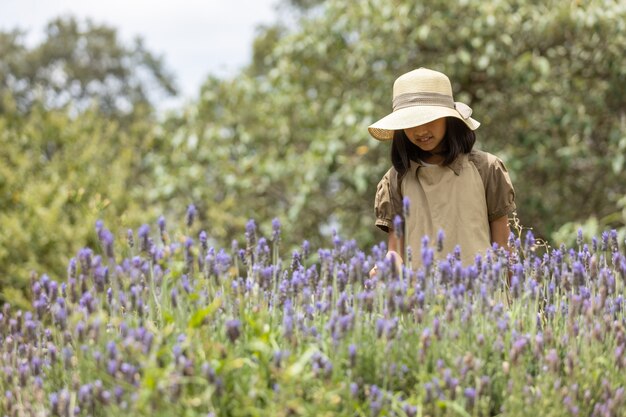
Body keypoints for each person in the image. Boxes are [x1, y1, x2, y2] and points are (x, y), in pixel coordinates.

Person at [368, 67, 516, 273]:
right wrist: (388, 266)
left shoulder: (486, 168)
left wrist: (513, 296)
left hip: (483, 299)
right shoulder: (395, 180)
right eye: (410, 123)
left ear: (450, 118)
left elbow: (503, 247)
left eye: (429, 119)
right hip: (422, 299)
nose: (420, 131)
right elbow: (396, 250)